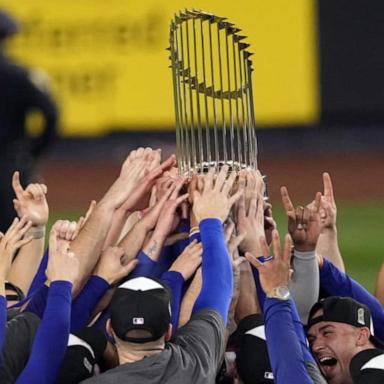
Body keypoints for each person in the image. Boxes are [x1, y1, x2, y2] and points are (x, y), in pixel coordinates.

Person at [81, 165, 242, 383]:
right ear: (168, 331)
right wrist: (208, 220)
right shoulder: (194, 364)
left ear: (110, 329)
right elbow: (218, 290)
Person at [0, 9, 58, 233]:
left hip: (9, 163)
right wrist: (33, 150)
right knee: (14, 236)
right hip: (8, 166)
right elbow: (51, 113)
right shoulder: (19, 75)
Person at [307, 296, 384, 384]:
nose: (315, 347)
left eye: (327, 333)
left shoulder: (378, 370)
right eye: (311, 340)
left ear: (361, 336)